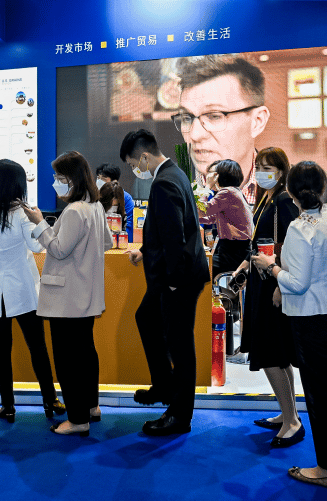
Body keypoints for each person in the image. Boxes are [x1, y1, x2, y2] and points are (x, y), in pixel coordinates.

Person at [252, 161, 327, 489]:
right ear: (323, 184)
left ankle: (325, 467)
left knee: (318, 391)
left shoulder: (301, 228)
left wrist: (271, 267)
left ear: (291, 191)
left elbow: (296, 283)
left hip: (312, 317)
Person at [120, 129, 210, 436]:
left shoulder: (165, 181)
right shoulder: (174, 174)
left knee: (180, 345)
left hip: (178, 279)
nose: (135, 169)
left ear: (144, 157)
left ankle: (179, 415)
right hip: (174, 275)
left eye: (134, 163)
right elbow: (168, 227)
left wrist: (173, 281)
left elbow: (175, 236)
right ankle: (163, 385)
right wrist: (145, 253)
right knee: (146, 317)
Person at [22, 151, 112, 436]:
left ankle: (77, 418)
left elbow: (58, 249)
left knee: (68, 359)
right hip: (85, 294)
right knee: (85, 353)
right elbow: (107, 243)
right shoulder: (95, 207)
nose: (56, 183)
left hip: (67, 299)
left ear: (72, 179)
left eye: (60, 178)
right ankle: (90, 407)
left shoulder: (75, 211)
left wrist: (39, 223)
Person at [0, 159, 65, 422]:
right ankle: (50, 399)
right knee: (38, 347)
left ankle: (8, 406)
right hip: (23, 288)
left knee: (1, 350)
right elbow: (37, 248)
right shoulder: (21, 213)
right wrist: (40, 221)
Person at [236, 148, 301, 443]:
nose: (262, 171)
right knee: (277, 354)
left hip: (272, 286)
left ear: (282, 169)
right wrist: (244, 266)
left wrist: (278, 285)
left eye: (269, 167)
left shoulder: (284, 200)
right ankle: (288, 414)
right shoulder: (267, 198)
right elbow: (259, 243)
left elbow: (289, 247)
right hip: (261, 282)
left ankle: (292, 421)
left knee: (271, 353)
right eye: (258, 166)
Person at [174, 55, 270, 200]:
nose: (195, 134)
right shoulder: (161, 184)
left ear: (257, 121)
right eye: (186, 118)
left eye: (214, 116)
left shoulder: (298, 187)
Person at [198, 159, 252, 275]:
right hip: (235, 249)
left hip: (233, 251)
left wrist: (207, 185)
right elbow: (211, 218)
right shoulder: (233, 192)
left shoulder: (228, 192)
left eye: (214, 173)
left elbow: (202, 211)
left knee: (199, 267)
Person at [96, 164, 135, 241]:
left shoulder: (126, 198)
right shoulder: (95, 196)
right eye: (98, 178)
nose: (99, 181)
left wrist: (121, 240)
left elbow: (129, 224)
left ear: (114, 181)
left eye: (103, 179)